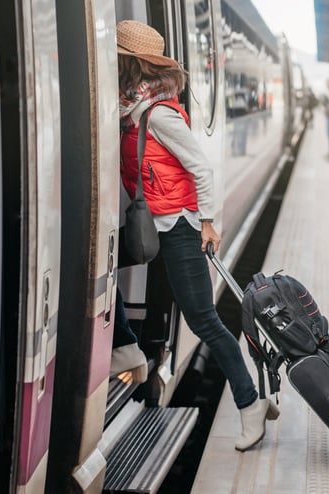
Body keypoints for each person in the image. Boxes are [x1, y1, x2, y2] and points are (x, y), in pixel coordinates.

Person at [116, 20, 279, 452]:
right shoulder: (132, 110)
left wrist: (209, 221)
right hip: (158, 226)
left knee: (203, 320)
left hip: (181, 228)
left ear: (130, 66)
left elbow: (200, 168)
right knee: (100, 266)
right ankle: (126, 346)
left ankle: (250, 404)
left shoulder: (159, 114)